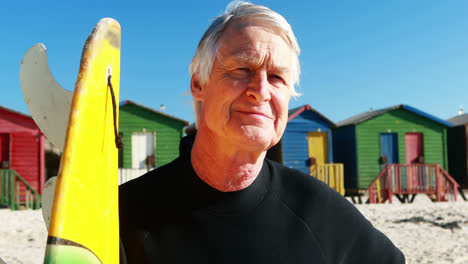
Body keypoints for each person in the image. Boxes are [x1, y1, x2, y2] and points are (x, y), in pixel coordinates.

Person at [119, 1, 405, 263]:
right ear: (199, 84)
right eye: (242, 68)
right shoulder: (123, 214)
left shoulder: (318, 210)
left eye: (278, 77)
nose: (261, 91)